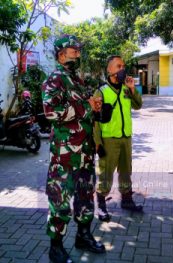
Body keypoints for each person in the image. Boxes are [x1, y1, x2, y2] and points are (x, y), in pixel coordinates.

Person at [42, 34, 104, 263]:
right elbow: (51, 112)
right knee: (60, 200)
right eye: (73, 49)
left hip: (85, 153)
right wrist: (84, 106)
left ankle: (83, 236)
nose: (78, 52)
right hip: (65, 155)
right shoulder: (54, 80)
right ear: (61, 54)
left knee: (85, 196)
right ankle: (55, 248)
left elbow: (84, 109)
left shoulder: (75, 80)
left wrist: (93, 106)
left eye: (79, 49)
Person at [93, 55, 143, 222]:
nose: (122, 69)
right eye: (118, 66)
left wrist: (133, 89)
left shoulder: (126, 89)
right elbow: (95, 121)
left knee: (126, 172)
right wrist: (97, 143)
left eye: (123, 66)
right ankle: (101, 205)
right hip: (109, 140)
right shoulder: (101, 91)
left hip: (126, 139)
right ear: (109, 69)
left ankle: (127, 201)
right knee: (106, 173)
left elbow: (138, 106)